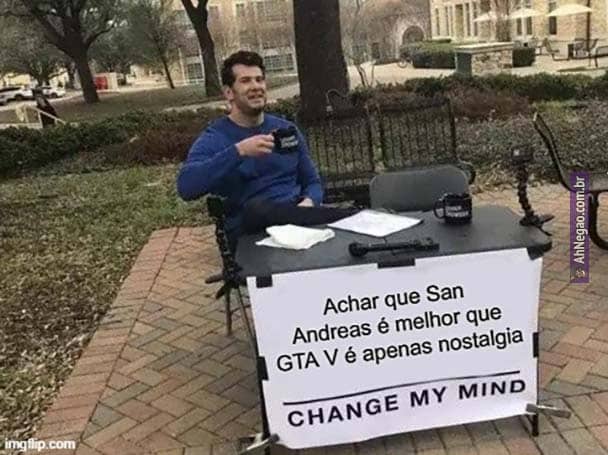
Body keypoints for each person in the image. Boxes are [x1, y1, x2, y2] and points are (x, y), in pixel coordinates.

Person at [176, 51, 355, 248]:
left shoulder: (286, 130)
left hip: (298, 224)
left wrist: (309, 203)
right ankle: (351, 216)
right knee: (257, 208)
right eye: (245, 81)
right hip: (251, 234)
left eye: (259, 79)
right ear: (229, 93)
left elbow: (312, 181)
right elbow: (186, 187)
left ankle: (352, 218)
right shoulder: (216, 138)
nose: (256, 86)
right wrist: (239, 151)